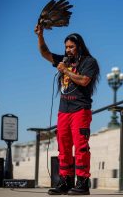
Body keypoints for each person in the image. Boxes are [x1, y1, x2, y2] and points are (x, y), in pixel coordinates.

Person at [34, 25, 100, 195]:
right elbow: (45, 53)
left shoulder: (89, 62)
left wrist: (66, 71)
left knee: (81, 147)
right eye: (66, 47)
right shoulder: (64, 60)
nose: (68, 50)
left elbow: (84, 81)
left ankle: (83, 183)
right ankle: (65, 181)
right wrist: (40, 35)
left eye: (71, 46)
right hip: (64, 110)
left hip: (80, 109)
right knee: (63, 147)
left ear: (79, 46)